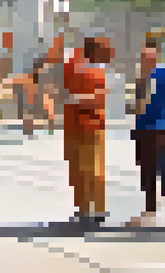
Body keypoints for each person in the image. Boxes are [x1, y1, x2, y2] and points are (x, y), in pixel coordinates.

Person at [126, 40, 165, 228]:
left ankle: (151, 211)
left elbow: (139, 108)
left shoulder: (146, 78)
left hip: (149, 130)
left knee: (149, 171)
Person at [60, 36, 114, 226]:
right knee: (91, 169)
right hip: (90, 125)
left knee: (81, 169)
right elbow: (100, 98)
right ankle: (94, 209)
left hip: (78, 125)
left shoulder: (72, 63)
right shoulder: (94, 70)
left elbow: (63, 90)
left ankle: (85, 209)